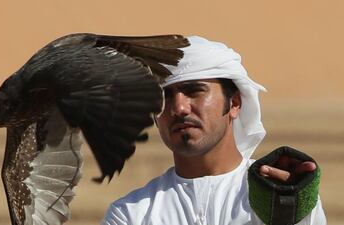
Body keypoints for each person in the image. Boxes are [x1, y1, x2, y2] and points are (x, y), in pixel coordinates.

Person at [101, 36, 326, 225]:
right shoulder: (131, 214)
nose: (178, 107)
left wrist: (286, 213)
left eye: (194, 91)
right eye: (164, 96)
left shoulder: (281, 195)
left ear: (235, 103)